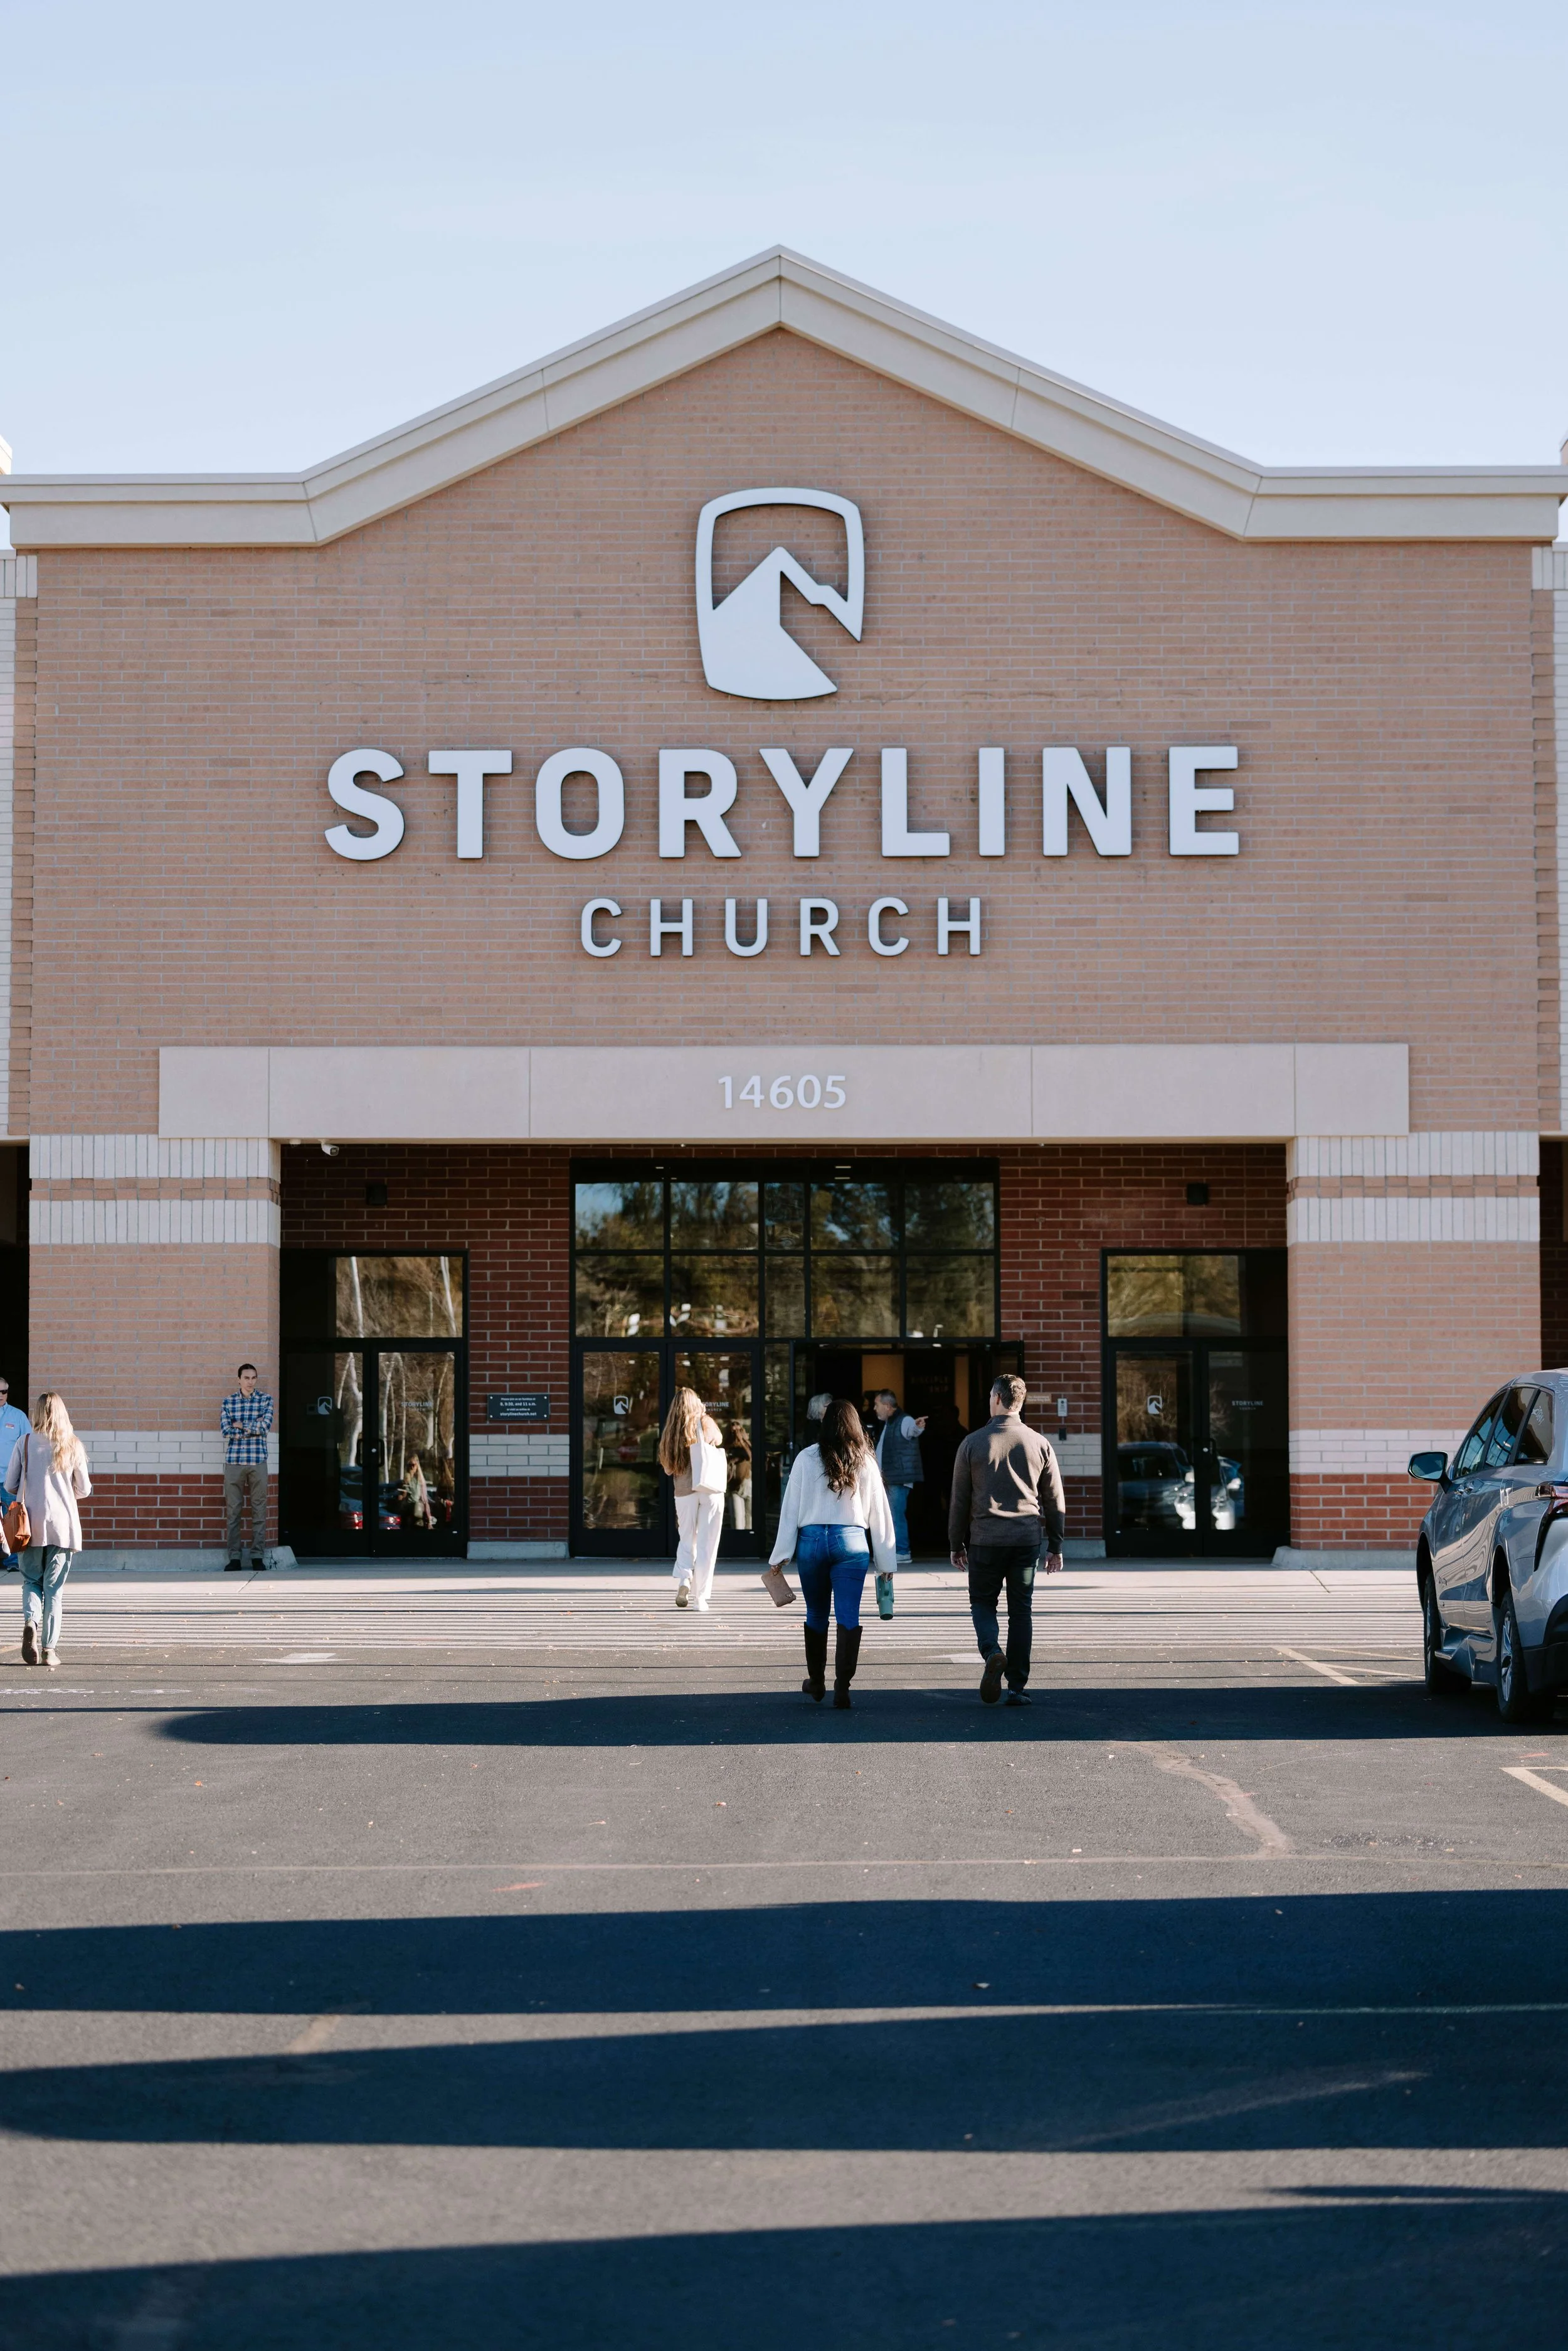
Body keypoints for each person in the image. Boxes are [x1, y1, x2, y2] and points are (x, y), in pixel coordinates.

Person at [771, 1396, 896, 1709]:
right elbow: (879, 1512)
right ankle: (843, 1686)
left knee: (816, 1613)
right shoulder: (865, 1460)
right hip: (851, 1541)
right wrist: (886, 1561)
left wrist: (780, 1555)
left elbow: (790, 1509)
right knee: (848, 1615)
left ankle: (817, 1681)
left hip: (811, 1540)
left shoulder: (805, 1458)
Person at [949, 1373, 1065, 1707]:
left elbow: (959, 1500)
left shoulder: (972, 1443)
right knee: (1021, 1612)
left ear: (997, 1399)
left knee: (983, 1603)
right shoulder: (1039, 1443)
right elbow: (1055, 1499)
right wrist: (1055, 1546)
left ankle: (991, 1652)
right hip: (1026, 1540)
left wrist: (957, 1544)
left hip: (985, 1540)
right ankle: (1016, 1687)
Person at [9, 1391, 92, 1669]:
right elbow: (84, 1489)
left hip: (30, 1525)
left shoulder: (25, 1441)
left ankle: (31, 1621)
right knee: (54, 1590)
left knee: (31, 1581)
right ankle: (49, 1651)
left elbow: (10, 1485)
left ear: (37, 1413)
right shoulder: (72, 1444)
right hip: (63, 1525)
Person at [657, 1385, 726, 1611]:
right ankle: (701, 1598)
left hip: (684, 1493)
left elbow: (668, 1469)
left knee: (688, 1539)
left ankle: (684, 1579)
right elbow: (718, 1438)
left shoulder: (670, 1433)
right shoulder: (704, 1421)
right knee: (708, 1544)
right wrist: (705, 1415)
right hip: (709, 1488)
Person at [869, 1389, 928, 1616]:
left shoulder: (904, 1421)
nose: (874, 1409)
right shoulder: (891, 1423)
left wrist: (918, 1427)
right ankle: (899, 1550)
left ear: (888, 1406)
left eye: (877, 1405)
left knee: (895, 1514)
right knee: (892, 1514)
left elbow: (912, 1430)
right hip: (893, 1477)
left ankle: (902, 1551)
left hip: (898, 1478)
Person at [220, 1362, 273, 1573]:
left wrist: (240, 1425)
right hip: (234, 1462)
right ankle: (234, 1558)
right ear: (239, 1380)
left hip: (258, 1461)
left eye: (254, 1378)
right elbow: (225, 1430)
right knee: (234, 1512)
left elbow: (266, 1427)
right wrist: (253, 1427)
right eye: (247, 1378)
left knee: (259, 1510)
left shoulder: (266, 1400)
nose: (250, 1382)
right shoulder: (228, 1402)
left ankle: (257, 1556)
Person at [0, 1375, 30, 1573]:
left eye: (4, 1391)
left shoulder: (18, 1416)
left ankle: (12, 1561)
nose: (1, 1395)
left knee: (11, 1520)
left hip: (8, 1481)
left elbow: (28, 1448)